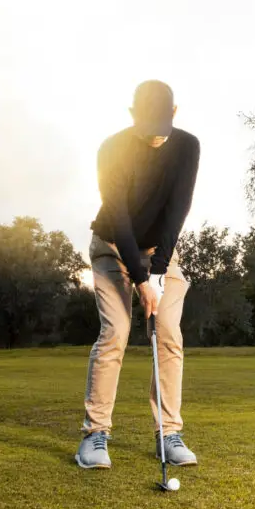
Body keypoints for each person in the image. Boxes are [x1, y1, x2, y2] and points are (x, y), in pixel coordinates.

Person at [75, 79, 200, 470]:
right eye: (148, 129)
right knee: (116, 331)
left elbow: (176, 212)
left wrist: (158, 273)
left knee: (168, 332)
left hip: (160, 252)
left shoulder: (187, 146)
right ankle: (94, 436)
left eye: (163, 128)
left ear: (174, 114)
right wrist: (143, 282)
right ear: (132, 117)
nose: (156, 138)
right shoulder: (111, 149)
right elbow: (120, 219)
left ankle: (168, 434)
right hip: (112, 245)